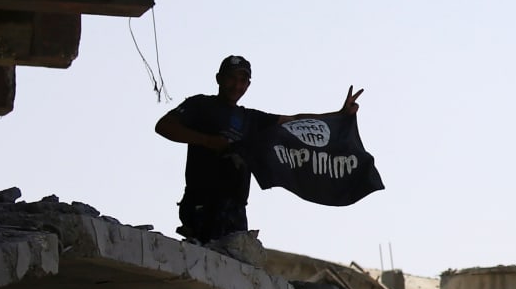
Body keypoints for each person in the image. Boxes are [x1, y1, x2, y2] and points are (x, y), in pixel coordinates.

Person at [155, 55, 364, 248]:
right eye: (231, 78)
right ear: (219, 79)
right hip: (202, 200)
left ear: (248, 84)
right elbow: (164, 126)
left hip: (235, 208)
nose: (237, 85)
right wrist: (208, 141)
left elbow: (295, 121)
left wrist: (339, 115)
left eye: (243, 80)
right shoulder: (200, 105)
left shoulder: (251, 119)